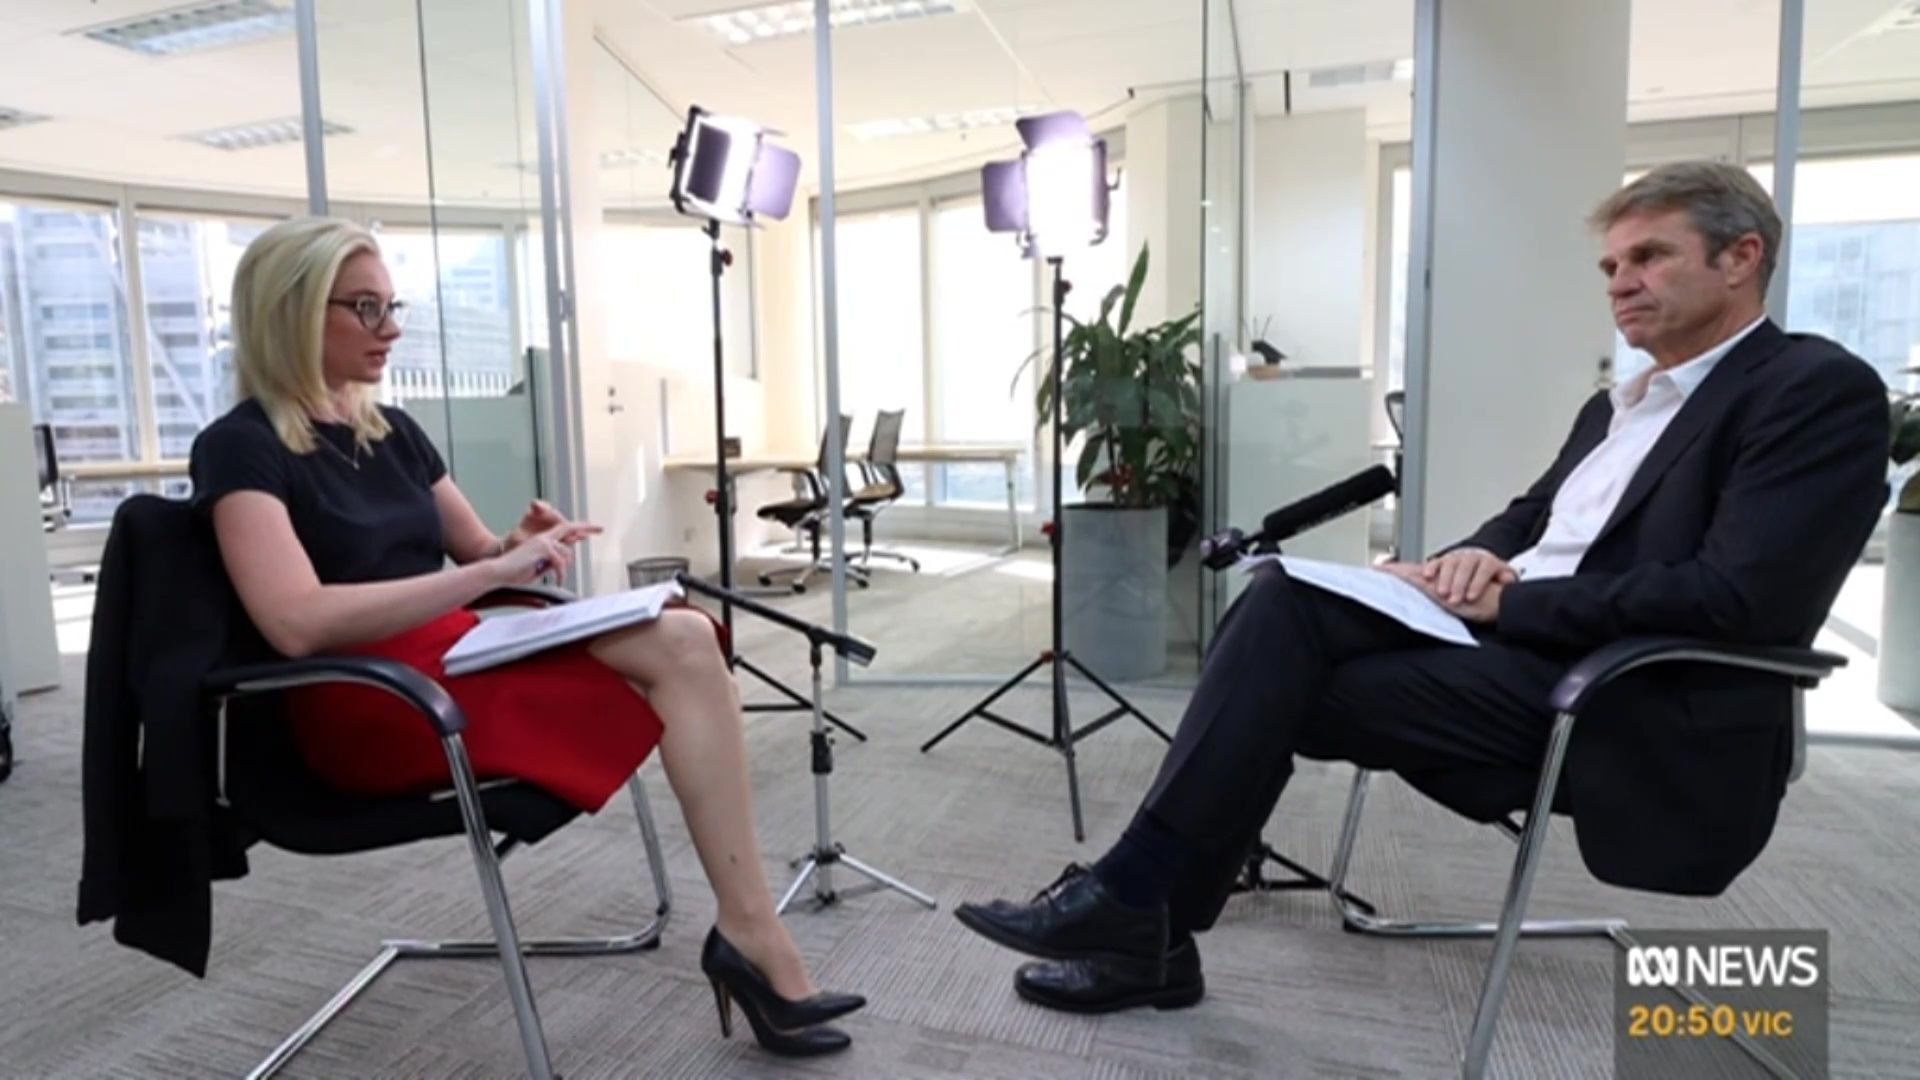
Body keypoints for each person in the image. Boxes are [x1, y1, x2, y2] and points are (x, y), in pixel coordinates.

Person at [955, 161, 1890, 1014]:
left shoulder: (1812, 390)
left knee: (1271, 682)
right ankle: (1141, 917)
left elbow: (1737, 599)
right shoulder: (1616, 404)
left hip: (1626, 694)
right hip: (1514, 646)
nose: (1619, 282)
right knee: (1281, 599)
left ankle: (1141, 916)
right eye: (1610, 266)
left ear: (1741, 259)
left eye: (1649, 257)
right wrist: (1453, 567)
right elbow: (1528, 520)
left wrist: (1508, 602)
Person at [189, 217, 863, 1058]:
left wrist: (516, 545)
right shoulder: (239, 448)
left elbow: (477, 553)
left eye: (392, 305)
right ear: (290, 312)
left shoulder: (392, 431)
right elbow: (297, 621)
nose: (390, 327)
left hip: (455, 653)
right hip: (373, 696)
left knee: (688, 638)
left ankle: (748, 928)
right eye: (365, 307)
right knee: (671, 656)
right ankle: (755, 945)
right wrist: (486, 577)